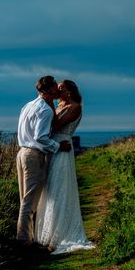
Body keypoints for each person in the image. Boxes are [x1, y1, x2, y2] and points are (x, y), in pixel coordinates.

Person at [35, 79, 94, 255]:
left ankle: (61, 233)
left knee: (60, 187)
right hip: (54, 146)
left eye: (60, 88)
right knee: (50, 188)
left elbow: (57, 125)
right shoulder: (60, 104)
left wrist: (51, 103)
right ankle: (47, 232)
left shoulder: (75, 107)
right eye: (56, 88)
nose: (57, 91)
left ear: (68, 91)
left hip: (63, 146)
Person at [16, 75, 72, 246]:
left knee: (25, 197)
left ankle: (27, 237)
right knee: (30, 199)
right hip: (33, 155)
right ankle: (24, 240)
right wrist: (57, 146)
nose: (58, 90)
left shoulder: (28, 105)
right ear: (48, 90)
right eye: (55, 87)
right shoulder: (46, 110)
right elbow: (39, 137)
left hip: (22, 152)